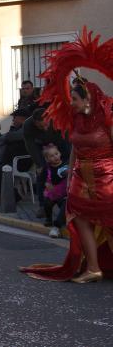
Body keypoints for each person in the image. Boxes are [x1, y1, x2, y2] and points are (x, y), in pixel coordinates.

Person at [21, 79, 112, 282]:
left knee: (109, 220)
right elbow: (74, 149)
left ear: (88, 99)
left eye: (75, 98)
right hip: (81, 177)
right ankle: (93, 268)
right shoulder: (76, 119)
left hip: (107, 177)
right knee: (80, 219)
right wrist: (70, 175)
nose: (71, 102)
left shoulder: (108, 118)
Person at [23, 108, 70, 216]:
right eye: (40, 126)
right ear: (35, 123)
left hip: (61, 142)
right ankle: (42, 206)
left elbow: (67, 139)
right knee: (42, 174)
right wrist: (39, 164)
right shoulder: (28, 125)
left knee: (65, 172)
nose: (44, 128)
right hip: (41, 146)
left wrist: (68, 160)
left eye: (46, 125)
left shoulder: (58, 118)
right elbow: (30, 146)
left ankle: (67, 206)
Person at [41, 144, 68, 238]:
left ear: (60, 153)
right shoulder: (47, 168)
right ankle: (49, 218)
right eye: (52, 156)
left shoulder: (65, 165)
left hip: (63, 194)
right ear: (47, 159)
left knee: (65, 207)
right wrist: (45, 183)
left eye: (56, 154)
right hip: (52, 193)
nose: (55, 157)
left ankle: (57, 226)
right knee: (47, 203)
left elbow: (62, 175)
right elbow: (41, 179)